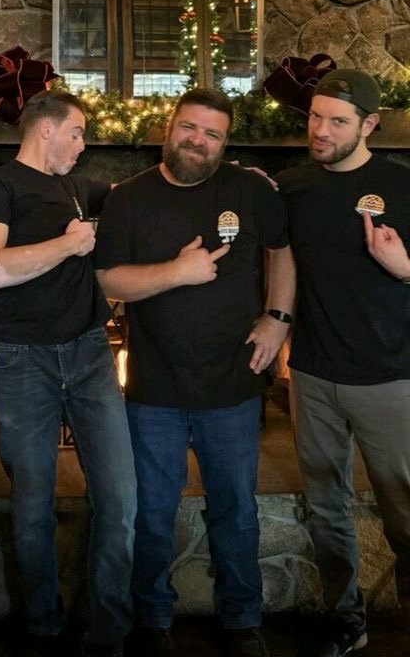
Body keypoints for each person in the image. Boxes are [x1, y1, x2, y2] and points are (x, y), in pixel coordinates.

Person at [93, 88, 293, 657]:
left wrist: (277, 319)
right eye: (189, 128)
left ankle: (241, 618)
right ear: (169, 126)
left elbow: (281, 249)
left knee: (236, 509)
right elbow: (108, 281)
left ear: (225, 143)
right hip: (154, 389)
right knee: (151, 512)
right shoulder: (129, 199)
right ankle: (152, 619)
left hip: (233, 382)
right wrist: (176, 274)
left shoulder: (252, 190)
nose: (198, 141)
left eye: (212, 134)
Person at [0, 89, 136, 657]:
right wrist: (66, 244)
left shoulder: (78, 187)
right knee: (32, 504)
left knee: (119, 496)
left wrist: (234, 177)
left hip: (89, 354)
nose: (83, 147)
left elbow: (149, 191)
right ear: (45, 130)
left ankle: (107, 629)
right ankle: (43, 626)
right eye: (78, 133)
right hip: (22, 361)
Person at [277, 69, 410, 657]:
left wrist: (404, 268)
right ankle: (346, 617)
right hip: (312, 373)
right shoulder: (293, 188)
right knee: (326, 505)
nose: (320, 130)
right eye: (314, 117)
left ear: (370, 126)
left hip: (390, 375)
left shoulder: (402, 186)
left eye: (336, 121)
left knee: (403, 506)